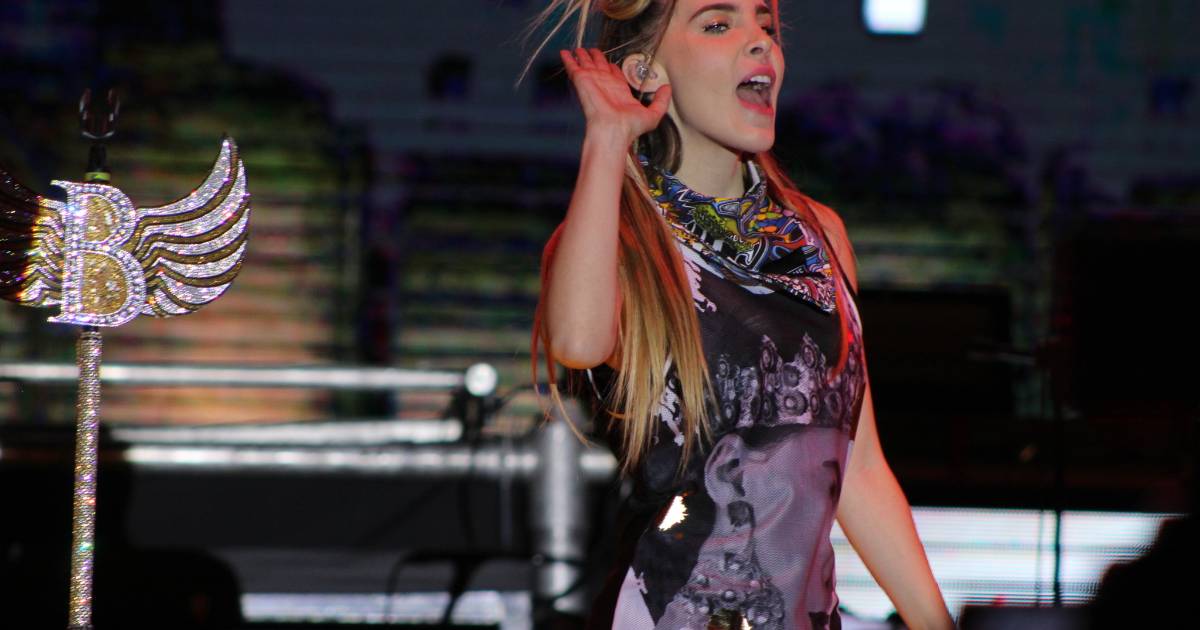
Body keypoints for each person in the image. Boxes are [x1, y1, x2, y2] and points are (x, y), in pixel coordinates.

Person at [528, 1, 955, 628]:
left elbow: (858, 470)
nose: (760, 43)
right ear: (645, 71)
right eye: (718, 24)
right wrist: (608, 137)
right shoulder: (619, 239)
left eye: (766, 25)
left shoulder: (820, 236)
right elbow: (577, 341)